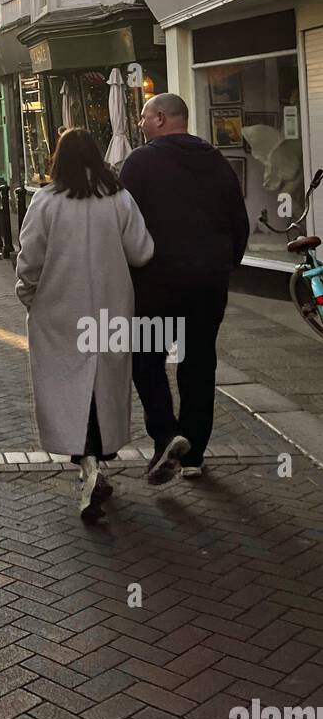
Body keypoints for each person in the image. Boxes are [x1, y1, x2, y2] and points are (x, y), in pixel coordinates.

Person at [15, 129, 154, 523]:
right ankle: (96, 460)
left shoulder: (46, 201)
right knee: (103, 385)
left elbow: (30, 259)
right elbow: (142, 252)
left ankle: (87, 463)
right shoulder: (119, 198)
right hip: (110, 309)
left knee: (68, 385)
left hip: (59, 310)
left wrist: (28, 295)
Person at [120, 92, 250, 484]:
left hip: (157, 283)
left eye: (144, 117)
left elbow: (125, 224)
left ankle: (166, 434)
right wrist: (225, 265)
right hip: (209, 283)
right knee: (198, 363)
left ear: (160, 118)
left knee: (145, 358)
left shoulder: (140, 162)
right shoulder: (217, 161)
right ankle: (193, 453)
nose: (141, 124)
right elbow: (238, 223)